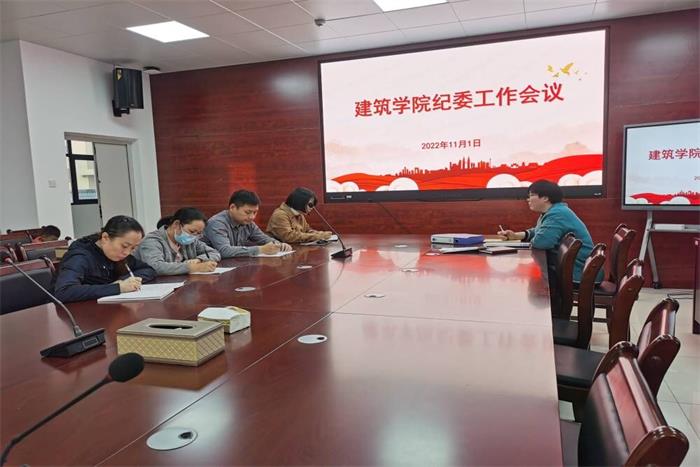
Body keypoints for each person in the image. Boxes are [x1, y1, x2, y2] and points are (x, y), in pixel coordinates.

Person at [498, 180, 601, 283]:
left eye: (531, 195)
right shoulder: (554, 211)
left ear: (545, 198)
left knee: (523, 276)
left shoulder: (557, 214)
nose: (528, 199)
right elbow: (538, 231)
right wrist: (515, 236)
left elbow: (541, 243)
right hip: (573, 270)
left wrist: (525, 245)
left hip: (579, 274)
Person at [53, 215, 156, 303]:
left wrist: (125, 281)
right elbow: (64, 292)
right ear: (105, 237)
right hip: (75, 313)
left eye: (133, 248)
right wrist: (117, 287)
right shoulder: (80, 256)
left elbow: (148, 270)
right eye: (124, 246)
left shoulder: (116, 254)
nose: (127, 252)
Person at [204, 190, 292, 258]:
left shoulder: (248, 223)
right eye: (248, 212)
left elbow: (264, 239)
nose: (252, 217)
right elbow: (224, 251)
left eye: (255, 212)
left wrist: (279, 245)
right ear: (232, 207)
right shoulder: (217, 223)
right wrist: (260, 249)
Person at [134, 207, 221, 275]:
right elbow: (156, 267)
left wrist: (199, 259)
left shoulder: (191, 240)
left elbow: (215, 253)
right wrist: (194, 267)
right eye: (191, 231)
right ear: (176, 224)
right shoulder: (152, 241)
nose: (194, 236)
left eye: (198, 233)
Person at [266, 187, 333, 244]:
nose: (312, 208)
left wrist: (321, 234)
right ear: (300, 201)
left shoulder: (299, 214)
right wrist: (317, 236)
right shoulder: (280, 215)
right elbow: (288, 237)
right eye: (310, 205)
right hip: (280, 250)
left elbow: (307, 230)